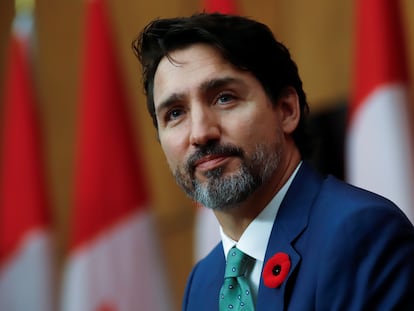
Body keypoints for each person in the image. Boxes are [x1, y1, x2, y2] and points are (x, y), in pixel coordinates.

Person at [132, 13, 414, 310]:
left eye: (224, 98)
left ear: (286, 110)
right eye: (175, 113)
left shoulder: (360, 234)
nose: (201, 133)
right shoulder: (203, 282)